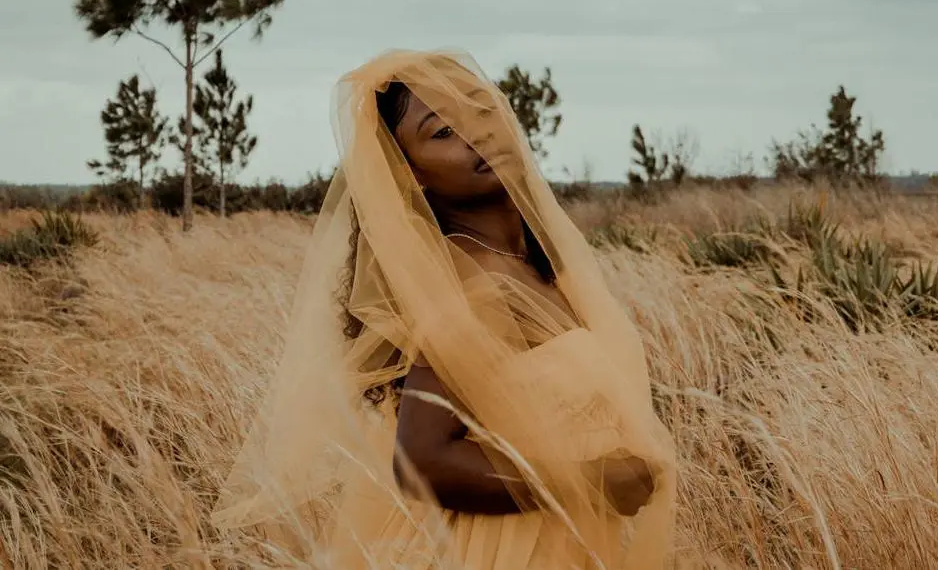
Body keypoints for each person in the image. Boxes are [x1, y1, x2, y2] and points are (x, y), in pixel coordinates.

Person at [211, 49, 677, 569]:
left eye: (480, 110)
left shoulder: (531, 264)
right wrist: (589, 481)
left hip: (570, 536)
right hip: (508, 549)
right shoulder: (474, 286)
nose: (476, 133)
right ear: (412, 176)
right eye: (441, 132)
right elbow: (422, 460)